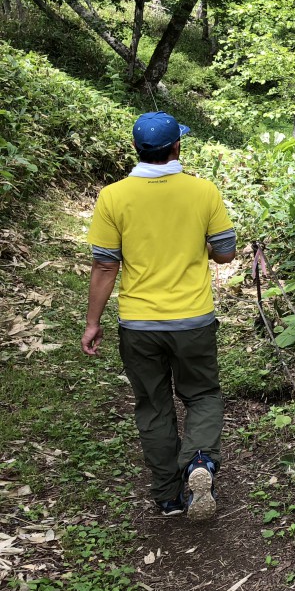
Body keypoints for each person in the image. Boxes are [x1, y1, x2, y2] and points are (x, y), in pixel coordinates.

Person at [81, 111, 236, 521]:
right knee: (202, 394)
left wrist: (93, 322)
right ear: (176, 147)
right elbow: (224, 252)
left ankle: (168, 497)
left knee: (153, 405)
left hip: (139, 324)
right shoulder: (204, 192)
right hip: (194, 321)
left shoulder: (113, 197)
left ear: (136, 148)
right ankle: (201, 461)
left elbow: (104, 266)